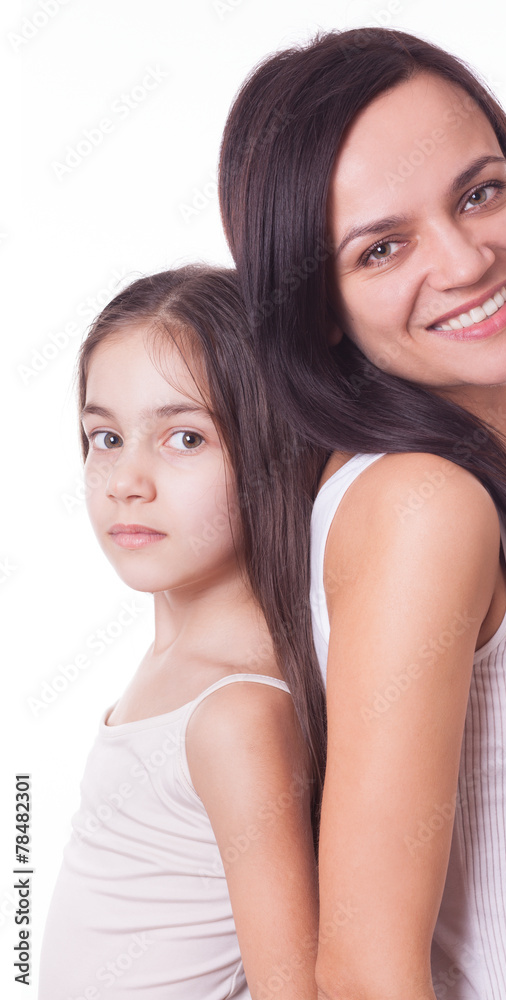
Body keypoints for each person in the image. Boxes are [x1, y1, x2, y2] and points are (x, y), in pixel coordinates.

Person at [218, 27, 506, 1000]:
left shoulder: (497, 476)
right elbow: (367, 974)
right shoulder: (422, 503)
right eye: (382, 247)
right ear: (320, 302)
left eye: (479, 191)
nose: (466, 259)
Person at [37, 265, 324, 999]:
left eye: (185, 438)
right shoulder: (178, 661)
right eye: (105, 436)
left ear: (270, 450)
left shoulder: (236, 713)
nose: (126, 479)